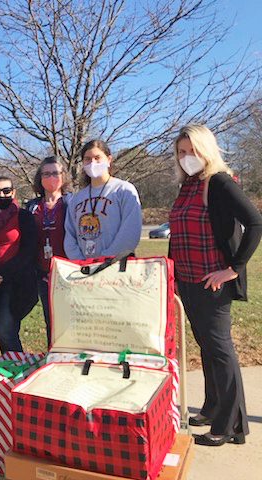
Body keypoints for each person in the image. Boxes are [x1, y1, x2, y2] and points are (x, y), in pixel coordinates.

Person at [168, 125, 262, 447]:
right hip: (187, 281)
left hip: (212, 283)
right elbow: (178, 234)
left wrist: (233, 269)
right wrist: (172, 276)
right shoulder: (187, 186)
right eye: (181, 153)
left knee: (220, 351)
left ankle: (230, 425)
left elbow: (255, 222)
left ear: (205, 149)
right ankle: (211, 407)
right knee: (207, 348)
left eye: (191, 151)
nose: (186, 158)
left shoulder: (218, 182)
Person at [0, 176, 37, 353]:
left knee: (6, 328)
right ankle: (9, 366)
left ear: (13, 193)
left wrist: (2, 274)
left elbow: (28, 250)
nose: (1, 195)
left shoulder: (24, 217)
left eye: (6, 191)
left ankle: (20, 369)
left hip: (16, 281)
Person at [64, 139, 142, 259]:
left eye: (97, 157)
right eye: (87, 159)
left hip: (116, 265)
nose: (92, 162)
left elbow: (130, 232)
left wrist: (105, 260)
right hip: (83, 269)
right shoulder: (76, 198)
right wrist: (79, 262)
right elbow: (70, 235)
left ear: (109, 160)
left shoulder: (123, 190)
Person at [26, 156, 72, 348]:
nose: (51, 177)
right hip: (43, 274)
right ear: (40, 178)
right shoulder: (33, 207)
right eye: (46, 173)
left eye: (55, 173)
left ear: (63, 176)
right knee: (50, 320)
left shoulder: (71, 204)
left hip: (68, 273)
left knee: (70, 321)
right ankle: (53, 356)